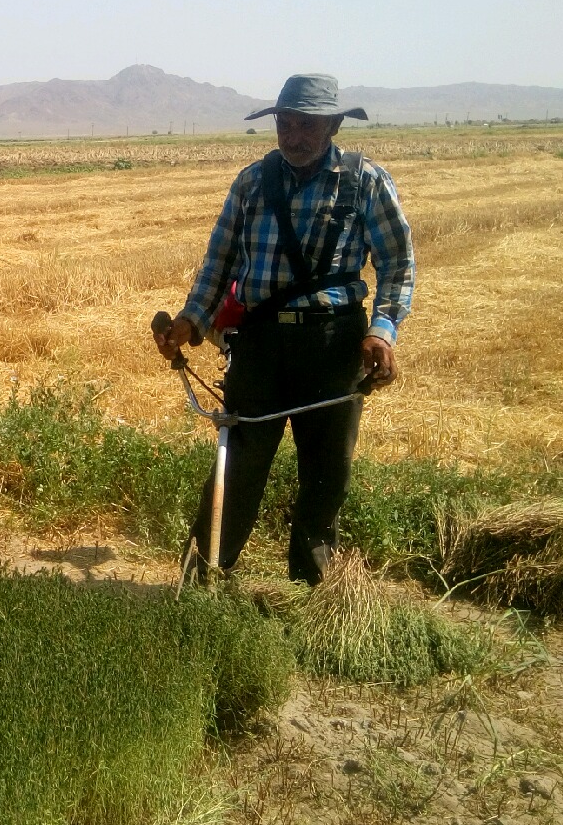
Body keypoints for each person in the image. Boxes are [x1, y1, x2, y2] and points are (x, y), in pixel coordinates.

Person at [152, 73, 414, 585]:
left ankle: (313, 593)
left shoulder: (366, 182)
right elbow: (217, 265)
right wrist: (190, 321)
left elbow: (397, 264)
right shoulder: (251, 183)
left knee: (325, 476)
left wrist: (382, 331)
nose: (293, 136)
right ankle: (201, 582)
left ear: (333, 125)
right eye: (285, 124)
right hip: (260, 347)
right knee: (237, 468)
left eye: (306, 125)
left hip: (334, 344)